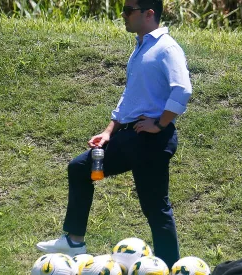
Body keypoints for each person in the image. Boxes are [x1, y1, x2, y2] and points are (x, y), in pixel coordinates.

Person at [36, 0, 192, 268]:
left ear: (149, 13)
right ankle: (74, 240)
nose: (123, 16)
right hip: (129, 138)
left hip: (151, 141)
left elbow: (183, 90)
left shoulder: (167, 48)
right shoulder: (141, 48)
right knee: (80, 167)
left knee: (156, 208)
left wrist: (161, 124)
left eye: (128, 11)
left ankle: (170, 266)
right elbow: (130, 97)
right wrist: (109, 131)